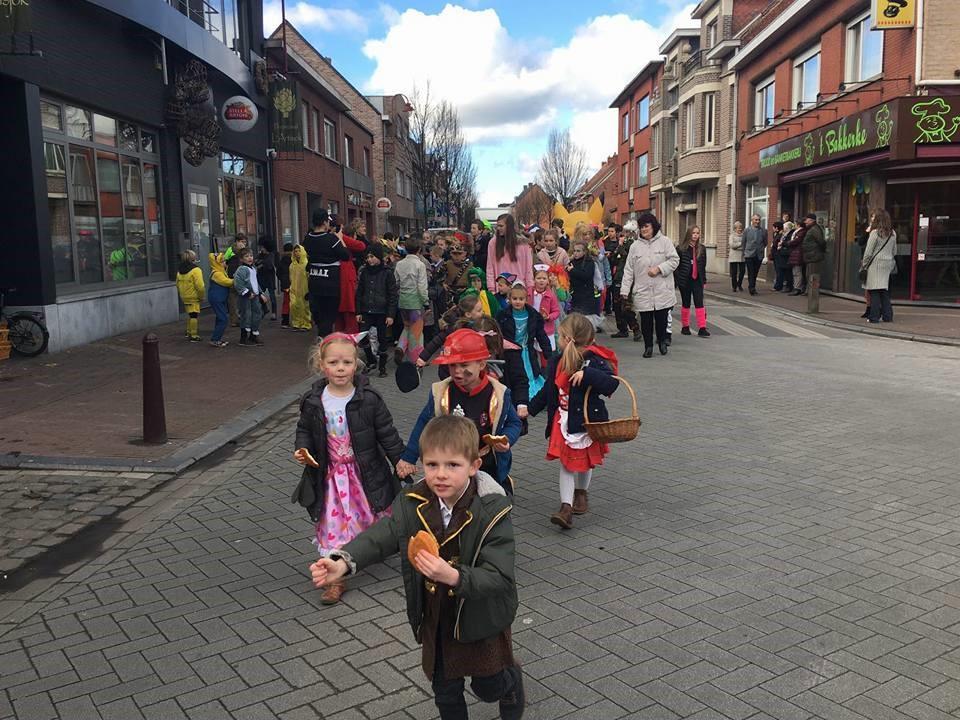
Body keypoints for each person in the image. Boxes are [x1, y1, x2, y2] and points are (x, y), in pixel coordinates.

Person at [309, 415, 525, 720]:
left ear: (474, 466)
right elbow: (385, 534)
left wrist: (452, 575)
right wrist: (343, 561)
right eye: (432, 464)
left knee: (488, 687)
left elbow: (500, 576)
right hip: (436, 615)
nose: (440, 475)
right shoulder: (412, 502)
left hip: (480, 616)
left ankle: (510, 678)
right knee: (446, 693)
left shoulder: (492, 510)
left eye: (453, 465)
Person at [294, 333, 405, 604]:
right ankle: (335, 578)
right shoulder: (313, 400)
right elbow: (304, 430)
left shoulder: (369, 399)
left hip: (364, 473)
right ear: (322, 365)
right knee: (333, 523)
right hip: (330, 476)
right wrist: (302, 450)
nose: (340, 368)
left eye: (346, 362)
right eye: (334, 362)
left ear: (356, 364)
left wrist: (401, 459)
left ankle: (365, 551)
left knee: (368, 516)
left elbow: (386, 432)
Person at [396, 329, 523, 495]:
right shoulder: (441, 391)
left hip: (486, 464)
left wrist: (507, 440)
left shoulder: (498, 393)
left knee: (488, 508)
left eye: (464, 365)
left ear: (481, 364)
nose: (457, 371)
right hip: (450, 464)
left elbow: (514, 423)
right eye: (452, 365)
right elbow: (424, 423)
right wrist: (408, 457)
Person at [528, 313, 618, 530]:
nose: (557, 339)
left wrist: (587, 374)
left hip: (588, 419)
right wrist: (529, 409)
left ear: (568, 339)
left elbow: (611, 384)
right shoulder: (557, 361)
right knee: (566, 463)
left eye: (560, 335)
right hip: (563, 419)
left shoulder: (594, 359)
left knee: (585, 461)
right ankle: (566, 508)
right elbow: (549, 389)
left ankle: (581, 492)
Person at [620, 212, 678, 357]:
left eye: (646, 226)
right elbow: (628, 270)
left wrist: (659, 269)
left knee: (661, 320)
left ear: (653, 226)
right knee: (645, 321)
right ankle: (648, 346)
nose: (644, 229)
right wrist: (624, 290)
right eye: (641, 227)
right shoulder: (635, 246)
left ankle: (662, 341)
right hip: (643, 289)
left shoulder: (665, 242)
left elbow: (674, 260)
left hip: (661, 289)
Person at [497, 284, 553, 400]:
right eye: (515, 299)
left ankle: (531, 395)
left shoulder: (533, 315)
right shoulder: (503, 315)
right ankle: (515, 393)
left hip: (527, 351)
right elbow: (498, 334)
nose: (518, 302)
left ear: (526, 299)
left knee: (529, 373)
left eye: (521, 299)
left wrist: (547, 352)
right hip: (510, 352)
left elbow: (541, 334)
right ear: (509, 299)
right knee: (513, 374)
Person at [302, 210, 351, 338]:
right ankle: (323, 343)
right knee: (329, 316)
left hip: (314, 282)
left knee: (319, 314)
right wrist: (340, 239)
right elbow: (345, 256)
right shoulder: (331, 239)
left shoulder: (307, 239)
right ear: (325, 222)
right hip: (330, 283)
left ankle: (322, 337)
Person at [356, 245, 398, 377]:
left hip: (382, 311)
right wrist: (358, 311)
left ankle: (382, 367)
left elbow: (392, 295)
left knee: (382, 339)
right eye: (367, 257)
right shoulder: (364, 272)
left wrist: (391, 314)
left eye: (372, 257)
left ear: (378, 257)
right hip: (367, 310)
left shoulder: (387, 273)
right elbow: (359, 293)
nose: (369, 260)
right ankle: (371, 359)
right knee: (362, 337)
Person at [417, 295, 485, 375]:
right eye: (479, 310)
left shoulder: (479, 325)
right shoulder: (455, 327)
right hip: (450, 368)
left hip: (467, 367)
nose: (483, 312)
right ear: (468, 314)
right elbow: (436, 341)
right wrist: (422, 358)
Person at [394, 235, 430, 363]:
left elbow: (396, 282)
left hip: (403, 300)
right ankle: (416, 358)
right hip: (416, 301)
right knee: (417, 331)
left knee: (407, 326)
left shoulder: (399, 264)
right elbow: (422, 286)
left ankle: (401, 347)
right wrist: (425, 301)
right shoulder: (420, 265)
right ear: (419, 249)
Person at [860, 208, 896, 324]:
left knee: (874, 291)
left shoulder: (874, 233)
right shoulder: (892, 233)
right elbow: (894, 251)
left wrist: (864, 265)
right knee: (884, 291)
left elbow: (868, 252)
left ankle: (874, 317)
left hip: (875, 264)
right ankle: (888, 316)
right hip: (887, 264)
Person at [675, 226, 710, 338]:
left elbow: (703, 266)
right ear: (689, 234)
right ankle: (685, 326)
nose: (695, 235)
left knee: (699, 302)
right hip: (685, 280)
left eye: (697, 233)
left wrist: (704, 280)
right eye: (693, 233)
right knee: (686, 303)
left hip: (697, 280)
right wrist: (678, 279)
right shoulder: (681, 248)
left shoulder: (702, 248)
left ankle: (702, 327)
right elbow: (676, 265)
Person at [486, 214, 534, 293]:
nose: (498, 228)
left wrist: (530, 286)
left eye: (501, 226)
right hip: (500, 289)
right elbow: (490, 267)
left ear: (509, 226)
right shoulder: (493, 243)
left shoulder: (523, 244)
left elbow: (528, 267)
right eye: (497, 226)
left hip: (519, 288)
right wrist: (491, 288)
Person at [337, 219, 369, 334]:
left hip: (343, 278)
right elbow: (361, 246)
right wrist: (341, 237)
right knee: (349, 310)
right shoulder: (343, 240)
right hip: (348, 278)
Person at [610, 222, 639, 340]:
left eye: (628, 232)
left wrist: (621, 247)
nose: (625, 235)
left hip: (628, 278)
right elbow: (613, 259)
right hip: (618, 276)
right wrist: (619, 247)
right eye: (625, 232)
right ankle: (622, 329)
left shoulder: (634, 245)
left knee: (626, 306)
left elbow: (629, 258)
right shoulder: (622, 244)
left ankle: (635, 328)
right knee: (616, 304)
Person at [233, 249, 267, 346]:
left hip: (255, 296)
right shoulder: (242, 270)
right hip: (246, 297)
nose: (250, 258)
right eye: (247, 256)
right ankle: (243, 338)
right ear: (241, 259)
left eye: (251, 256)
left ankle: (253, 335)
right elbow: (238, 283)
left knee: (257, 314)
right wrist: (247, 293)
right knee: (246, 315)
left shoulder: (253, 269)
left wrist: (260, 293)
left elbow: (255, 283)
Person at [175, 250, 204, 342]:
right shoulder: (196, 270)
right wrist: (201, 296)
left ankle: (188, 332)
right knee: (194, 315)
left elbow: (177, 284)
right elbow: (200, 286)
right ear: (193, 258)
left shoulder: (179, 270)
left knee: (190, 314)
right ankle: (194, 335)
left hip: (184, 296)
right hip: (193, 296)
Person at [531, 265, 561, 351]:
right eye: (538, 278)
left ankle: (546, 365)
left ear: (548, 281)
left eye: (544, 278)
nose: (541, 280)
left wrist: (548, 317)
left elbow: (556, 311)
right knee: (531, 352)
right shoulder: (529, 293)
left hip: (546, 329)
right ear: (534, 279)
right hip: (531, 328)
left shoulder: (550, 295)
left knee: (545, 352)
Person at [801, 213, 826, 314]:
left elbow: (821, 241)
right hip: (811, 256)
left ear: (811, 220)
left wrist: (819, 251)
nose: (805, 222)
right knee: (809, 275)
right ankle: (809, 292)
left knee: (813, 276)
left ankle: (813, 299)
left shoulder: (815, 229)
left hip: (814, 256)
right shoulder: (812, 229)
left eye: (806, 220)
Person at [207, 251, 233, 348]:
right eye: (222, 262)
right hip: (217, 299)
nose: (224, 263)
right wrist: (237, 280)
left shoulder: (221, 271)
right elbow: (226, 282)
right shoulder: (217, 273)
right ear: (217, 263)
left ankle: (217, 338)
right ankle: (215, 339)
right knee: (223, 319)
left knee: (220, 318)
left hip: (220, 299)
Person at [567, 241, 597, 320]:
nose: (575, 253)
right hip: (575, 294)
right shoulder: (572, 262)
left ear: (584, 252)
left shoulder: (589, 262)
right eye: (574, 251)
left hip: (586, 295)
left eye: (578, 251)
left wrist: (573, 271)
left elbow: (587, 275)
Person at [224, 233, 247, 327]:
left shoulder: (243, 250)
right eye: (242, 241)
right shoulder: (231, 250)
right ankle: (235, 319)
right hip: (232, 276)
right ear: (237, 241)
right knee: (233, 299)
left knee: (239, 298)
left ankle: (240, 317)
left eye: (245, 242)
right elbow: (225, 261)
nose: (244, 244)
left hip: (240, 275)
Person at [289, 245, 313, 331]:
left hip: (304, 288)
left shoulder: (306, 264)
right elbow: (290, 277)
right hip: (294, 289)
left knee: (305, 307)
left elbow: (310, 277)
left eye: (299, 251)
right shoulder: (292, 265)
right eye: (295, 251)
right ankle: (296, 323)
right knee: (294, 306)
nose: (297, 253)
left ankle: (306, 324)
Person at [743, 214, 767, 295]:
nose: (758, 221)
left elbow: (765, 242)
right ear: (752, 220)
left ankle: (753, 286)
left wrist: (761, 249)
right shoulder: (747, 230)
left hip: (759, 254)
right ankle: (751, 288)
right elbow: (744, 242)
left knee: (755, 272)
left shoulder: (763, 230)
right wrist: (745, 252)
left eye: (759, 220)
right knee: (751, 271)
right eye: (756, 220)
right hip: (749, 254)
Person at [256, 238, 278, 321]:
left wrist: (261, 264)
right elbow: (256, 262)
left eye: (262, 247)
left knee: (272, 296)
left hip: (269, 278)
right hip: (261, 277)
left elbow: (269, 265)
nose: (261, 249)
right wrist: (261, 263)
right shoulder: (260, 255)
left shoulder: (271, 255)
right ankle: (264, 309)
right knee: (259, 294)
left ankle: (274, 313)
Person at [775, 222, 795, 293]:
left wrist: (782, 245)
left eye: (784, 228)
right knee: (783, 271)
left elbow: (789, 244)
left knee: (788, 272)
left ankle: (789, 286)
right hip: (782, 254)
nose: (783, 229)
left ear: (787, 228)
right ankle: (785, 286)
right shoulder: (785, 234)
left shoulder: (790, 235)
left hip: (786, 255)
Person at [788, 223, 807, 296]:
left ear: (798, 225)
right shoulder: (798, 232)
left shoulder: (801, 232)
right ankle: (797, 287)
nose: (794, 226)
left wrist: (787, 243)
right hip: (795, 254)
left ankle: (797, 288)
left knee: (797, 272)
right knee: (795, 272)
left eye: (795, 224)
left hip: (798, 254)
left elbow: (796, 241)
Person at [278, 242, 293, 327]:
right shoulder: (294, 260)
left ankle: (285, 321)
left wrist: (282, 280)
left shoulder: (282, 260)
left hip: (285, 284)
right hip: (293, 283)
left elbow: (278, 272)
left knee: (286, 303)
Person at [728, 221, 746, 292]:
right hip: (733, 257)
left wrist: (737, 245)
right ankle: (734, 286)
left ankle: (739, 284)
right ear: (735, 229)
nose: (740, 229)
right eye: (739, 228)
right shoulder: (732, 236)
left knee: (742, 271)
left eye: (741, 228)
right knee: (734, 273)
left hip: (742, 256)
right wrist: (741, 244)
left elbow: (745, 245)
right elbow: (732, 245)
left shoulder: (744, 236)